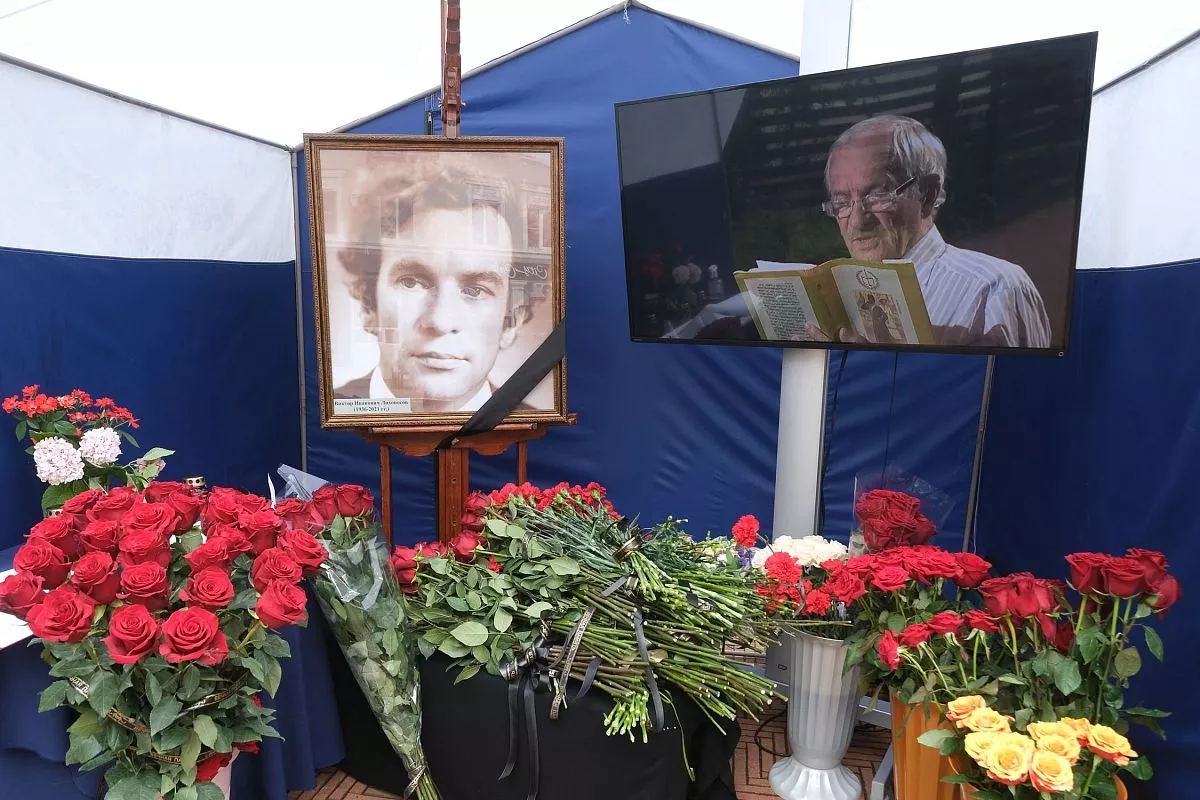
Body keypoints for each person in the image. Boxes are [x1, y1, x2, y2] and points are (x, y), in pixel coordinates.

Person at [807, 115, 1052, 348]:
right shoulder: (835, 298)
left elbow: (1025, 380)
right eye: (841, 202)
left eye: (878, 196)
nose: (857, 221)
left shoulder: (994, 289)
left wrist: (879, 366)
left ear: (927, 194)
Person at [332, 153, 542, 412]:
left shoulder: (547, 432)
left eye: (475, 290)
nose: (440, 321)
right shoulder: (322, 419)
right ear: (368, 305)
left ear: (511, 321)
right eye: (411, 283)